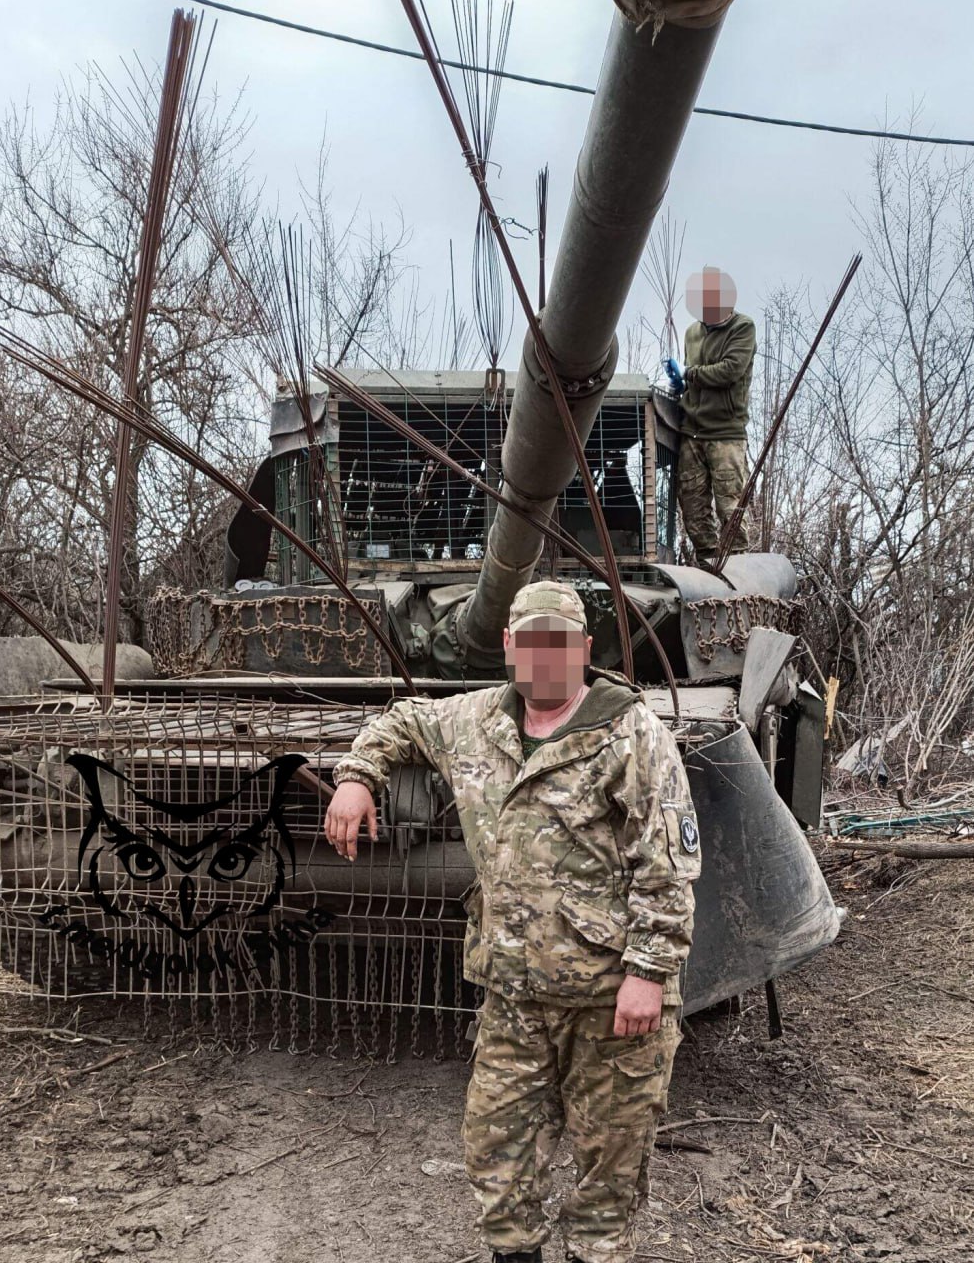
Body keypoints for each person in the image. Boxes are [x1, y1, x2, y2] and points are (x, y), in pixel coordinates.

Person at [324, 580, 700, 1263]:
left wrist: (649, 973)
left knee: (608, 1172)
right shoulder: (476, 721)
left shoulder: (631, 731)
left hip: (610, 1000)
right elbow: (402, 719)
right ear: (509, 646)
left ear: (583, 650)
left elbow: (668, 864)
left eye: (560, 644)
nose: (545, 658)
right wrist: (357, 776)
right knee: (497, 1154)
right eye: (532, 642)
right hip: (513, 996)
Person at [678, 266, 756, 568]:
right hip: (692, 431)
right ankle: (707, 564)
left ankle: (737, 569)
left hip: (725, 432)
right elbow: (691, 376)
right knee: (693, 506)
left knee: (730, 506)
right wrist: (680, 381)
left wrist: (691, 374)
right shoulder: (692, 333)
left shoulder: (742, 328)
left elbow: (731, 369)